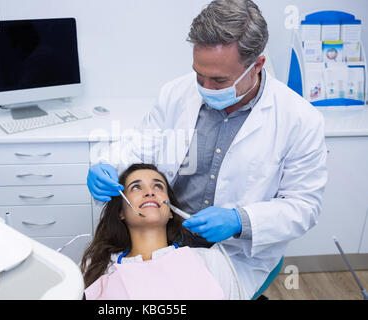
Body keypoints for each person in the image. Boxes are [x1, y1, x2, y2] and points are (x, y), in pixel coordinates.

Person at [87, 0, 327, 297]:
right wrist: (108, 164)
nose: (204, 86)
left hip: (234, 254)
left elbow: (304, 207)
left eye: (219, 80)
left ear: (257, 65)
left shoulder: (299, 120)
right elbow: (141, 146)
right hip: (168, 237)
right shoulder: (176, 94)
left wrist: (240, 220)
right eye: (199, 74)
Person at [82, 163, 246, 300]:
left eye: (158, 186)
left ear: (170, 212)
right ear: (121, 212)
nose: (150, 192)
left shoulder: (212, 262)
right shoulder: (96, 269)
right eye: (136, 187)